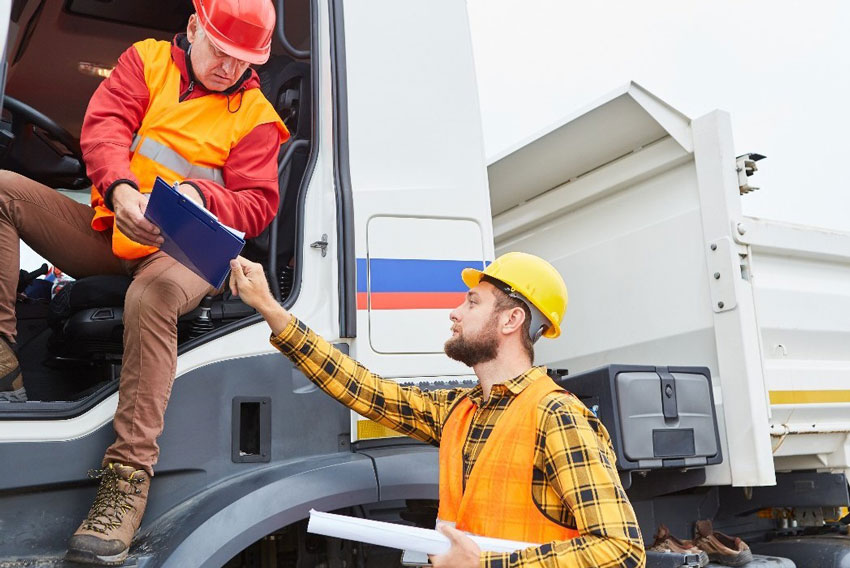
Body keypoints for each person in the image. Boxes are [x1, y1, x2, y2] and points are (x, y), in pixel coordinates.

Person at [0, 0, 289, 563]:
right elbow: (105, 126)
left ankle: (127, 480)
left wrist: (200, 197)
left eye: (242, 60)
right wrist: (122, 190)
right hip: (119, 229)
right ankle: (2, 358)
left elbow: (257, 204)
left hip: (186, 252)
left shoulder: (256, 117)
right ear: (193, 28)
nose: (230, 68)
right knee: (2, 189)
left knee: (150, 296)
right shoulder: (146, 61)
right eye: (221, 52)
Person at [229, 252, 647, 567]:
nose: (454, 312)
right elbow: (364, 389)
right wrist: (271, 309)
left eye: (472, 302)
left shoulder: (556, 415)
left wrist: (487, 565)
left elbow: (622, 550)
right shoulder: (461, 412)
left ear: (511, 320)